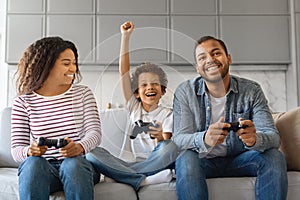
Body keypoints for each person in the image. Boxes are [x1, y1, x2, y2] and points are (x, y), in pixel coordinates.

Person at [172, 36, 288, 200]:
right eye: (202, 57)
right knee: (185, 157)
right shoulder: (185, 92)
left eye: (216, 53)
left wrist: (255, 139)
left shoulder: (251, 90)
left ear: (228, 58)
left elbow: (273, 137)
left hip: (240, 160)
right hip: (202, 161)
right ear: (198, 68)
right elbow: (179, 140)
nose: (210, 60)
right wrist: (204, 138)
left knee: (274, 157)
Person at [86, 21, 179, 191]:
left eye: (155, 84)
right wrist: (125, 37)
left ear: (163, 90)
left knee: (170, 146)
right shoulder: (134, 108)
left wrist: (159, 137)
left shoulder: (168, 114)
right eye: (143, 85)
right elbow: (124, 72)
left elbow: (166, 148)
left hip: (155, 162)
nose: (150, 87)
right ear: (136, 92)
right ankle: (142, 180)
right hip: (128, 162)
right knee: (92, 153)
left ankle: (122, 176)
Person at [10, 36, 101, 200]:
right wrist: (30, 151)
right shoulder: (23, 102)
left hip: (79, 167)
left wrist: (79, 147)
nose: (73, 69)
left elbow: (94, 133)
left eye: (74, 63)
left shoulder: (83, 94)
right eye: (66, 64)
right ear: (46, 65)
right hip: (45, 171)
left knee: (72, 164)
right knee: (32, 164)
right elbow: (17, 149)